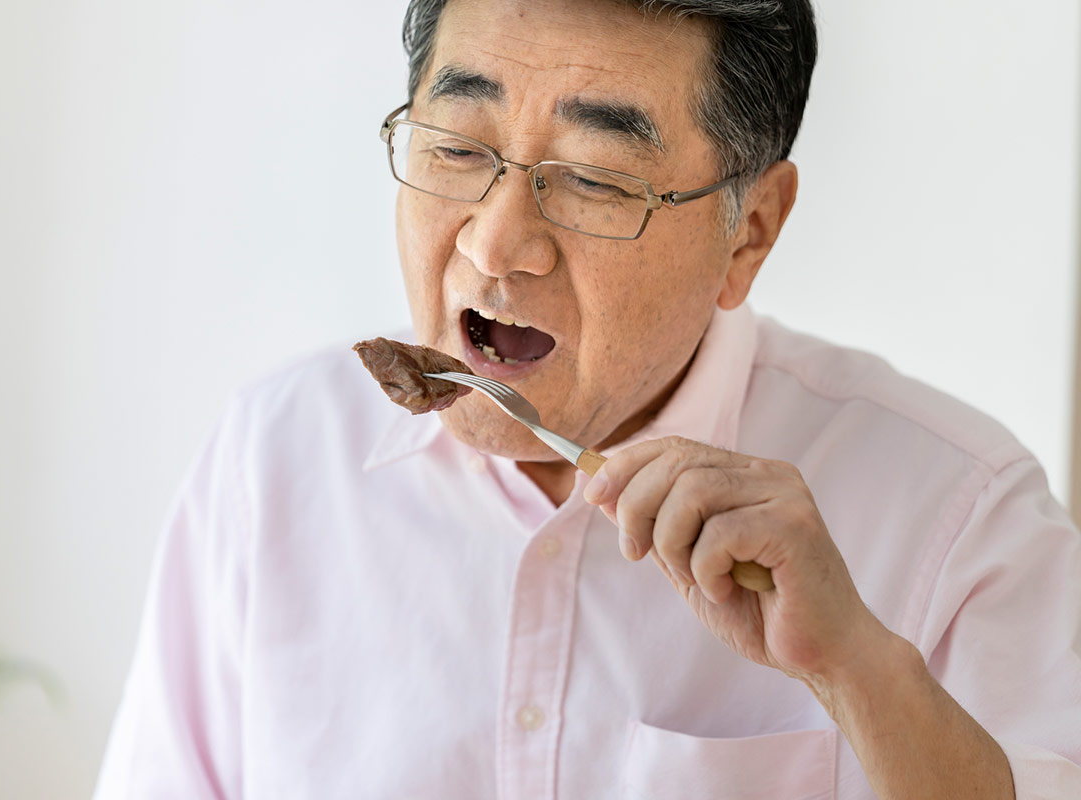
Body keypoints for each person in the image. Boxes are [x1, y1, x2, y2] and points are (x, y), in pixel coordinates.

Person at [93, 0, 1081, 797]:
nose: (496, 244)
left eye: (596, 179)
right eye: (457, 147)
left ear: (749, 232)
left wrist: (858, 671)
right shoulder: (271, 460)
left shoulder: (962, 514)